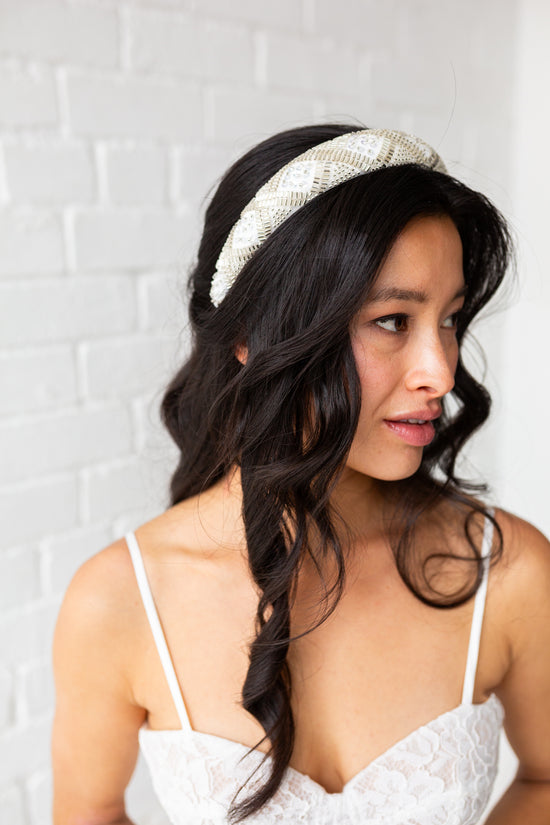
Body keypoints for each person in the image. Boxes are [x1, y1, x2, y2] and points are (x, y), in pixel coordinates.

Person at [52, 124, 550, 825]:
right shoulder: (118, 600)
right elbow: (87, 811)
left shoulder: (507, 569)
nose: (440, 373)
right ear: (252, 335)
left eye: (449, 319)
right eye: (392, 320)